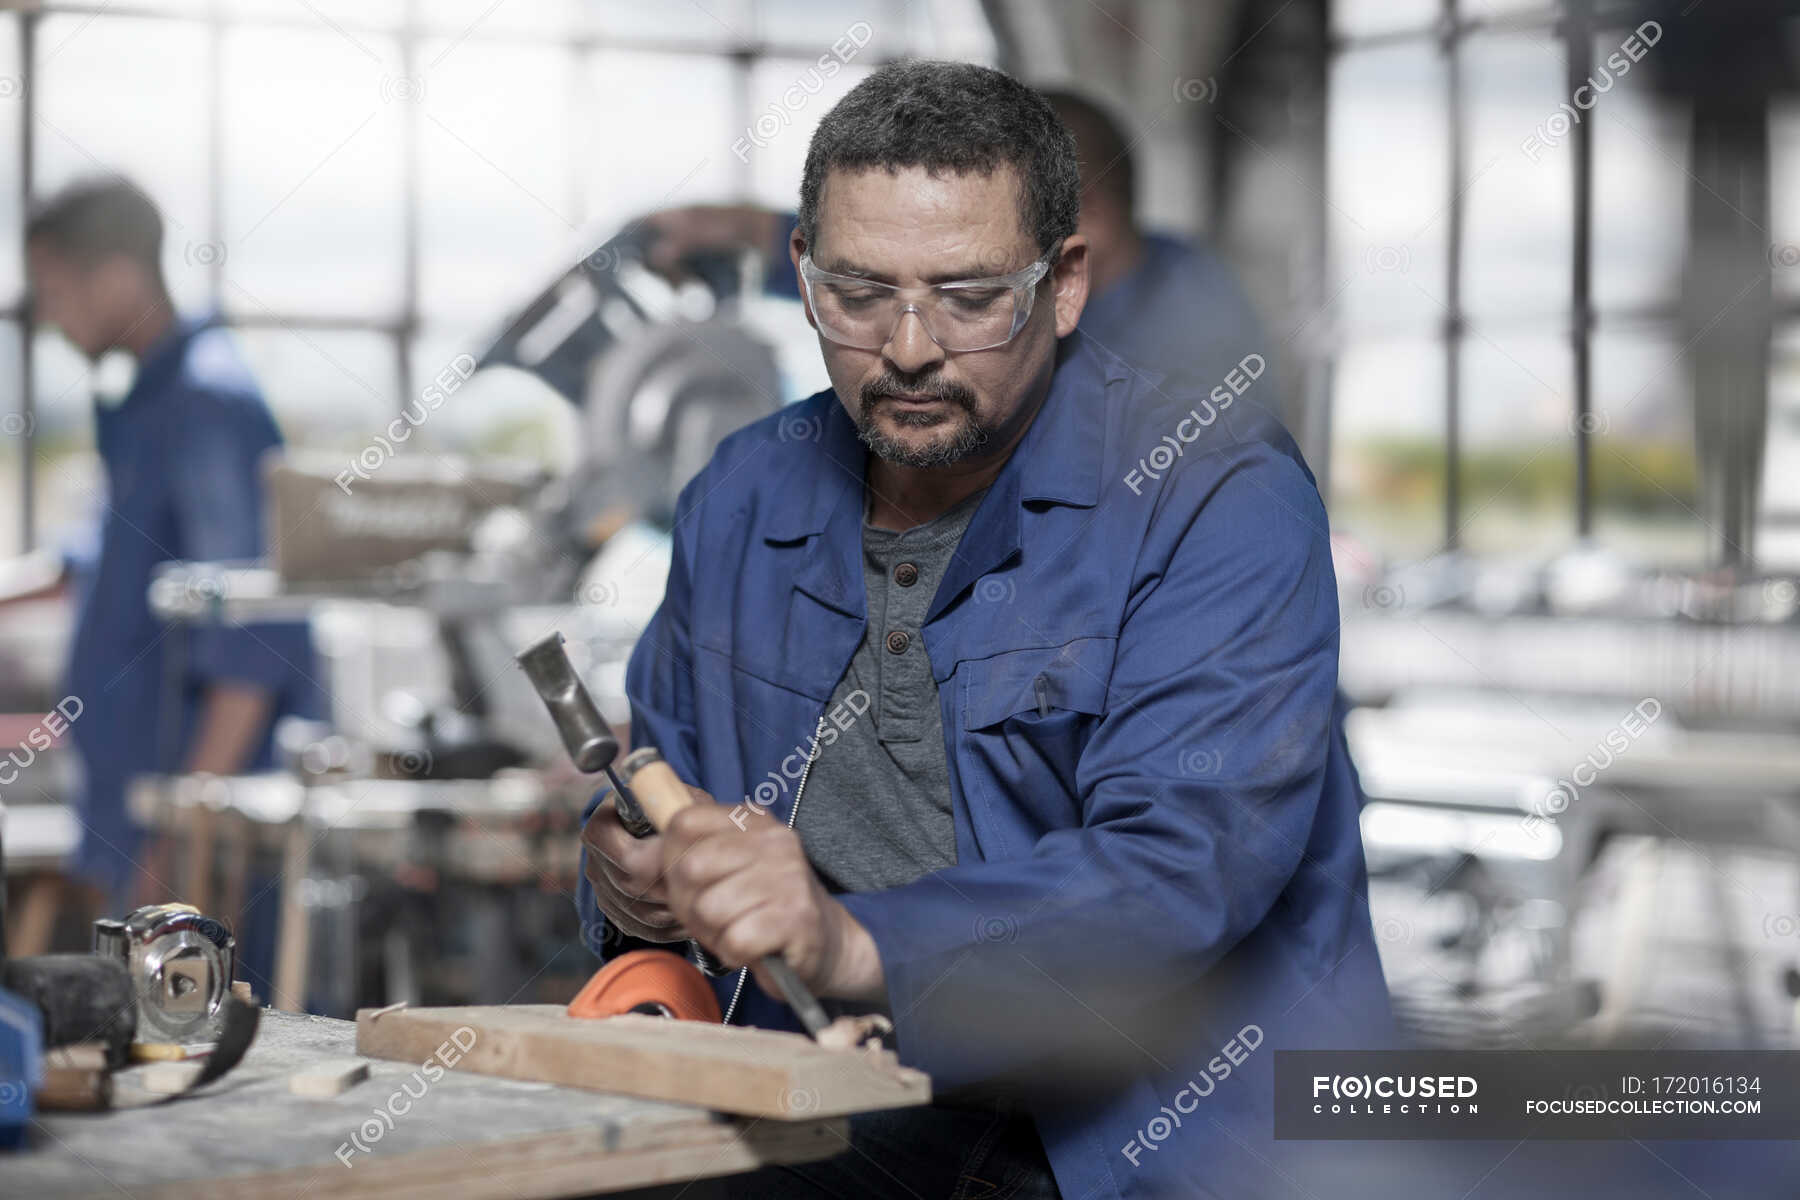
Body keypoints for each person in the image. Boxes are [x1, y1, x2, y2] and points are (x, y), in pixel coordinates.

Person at [577, 62, 1391, 1199]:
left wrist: (853, 945)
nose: (910, 348)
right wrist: (635, 879)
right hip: (838, 1089)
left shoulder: (1214, 494)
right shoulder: (744, 493)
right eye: (861, 294)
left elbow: (1178, 871)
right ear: (803, 276)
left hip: (1152, 1134)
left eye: (968, 297)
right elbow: (666, 794)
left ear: (1065, 285)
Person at [18, 175, 321, 922]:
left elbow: (253, 636)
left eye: (54, 290)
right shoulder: (150, 408)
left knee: (222, 998)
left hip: (201, 843)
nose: (48, 317)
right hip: (141, 817)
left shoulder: (206, 404)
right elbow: (102, 564)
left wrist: (181, 840)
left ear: (118, 277)